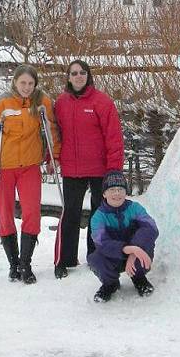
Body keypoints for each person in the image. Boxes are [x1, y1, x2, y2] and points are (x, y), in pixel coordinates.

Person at [0, 64, 59, 285]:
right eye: (23, 82)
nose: (26, 87)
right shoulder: (1, 103)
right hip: (3, 168)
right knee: (4, 214)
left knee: (32, 213)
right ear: (15, 82)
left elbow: (52, 127)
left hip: (30, 167)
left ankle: (26, 264)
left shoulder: (42, 102)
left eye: (31, 83)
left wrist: (55, 156)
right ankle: (13, 264)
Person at [52, 59, 124, 279]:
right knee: (70, 213)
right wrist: (51, 157)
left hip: (99, 169)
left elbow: (114, 137)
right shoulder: (61, 103)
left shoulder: (102, 102)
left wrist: (114, 170)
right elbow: (55, 134)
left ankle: (97, 255)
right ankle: (65, 259)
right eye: (73, 73)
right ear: (68, 77)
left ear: (88, 75)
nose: (78, 76)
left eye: (82, 72)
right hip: (72, 169)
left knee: (98, 214)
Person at [87, 171, 159, 302]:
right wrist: (128, 249)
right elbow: (102, 243)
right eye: (112, 189)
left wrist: (135, 250)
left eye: (120, 189)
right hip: (114, 256)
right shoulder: (98, 217)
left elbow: (151, 228)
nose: (117, 193)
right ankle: (110, 283)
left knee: (146, 246)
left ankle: (139, 278)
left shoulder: (135, 208)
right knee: (95, 258)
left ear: (126, 192)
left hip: (136, 254)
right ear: (104, 194)